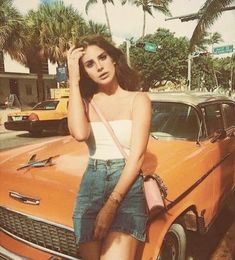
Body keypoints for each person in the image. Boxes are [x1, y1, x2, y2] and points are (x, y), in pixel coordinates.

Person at [67, 34, 151, 260]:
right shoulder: (85, 101)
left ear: (113, 58)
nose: (99, 67)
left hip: (125, 186)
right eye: (89, 64)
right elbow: (79, 133)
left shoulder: (138, 100)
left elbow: (137, 158)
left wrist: (112, 203)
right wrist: (73, 82)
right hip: (90, 185)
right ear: (84, 72)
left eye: (102, 57)